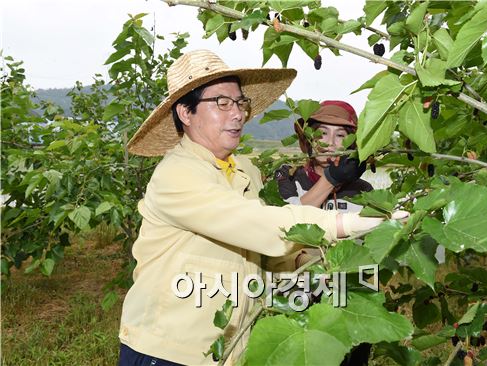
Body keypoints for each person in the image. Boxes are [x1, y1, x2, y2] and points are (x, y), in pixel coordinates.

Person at [118, 49, 407, 366]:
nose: (238, 114)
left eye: (240, 103)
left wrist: (310, 263)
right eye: (222, 103)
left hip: (225, 351)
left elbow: (257, 255)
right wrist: (346, 224)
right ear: (185, 113)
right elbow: (259, 224)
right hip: (167, 351)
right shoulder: (177, 175)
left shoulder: (244, 171)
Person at [277, 100, 372, 212]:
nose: (330, 142)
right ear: (310, 138)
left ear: (351, 144)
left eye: (340, 135)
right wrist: (331, 179)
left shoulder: (363, 190)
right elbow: (285, 220)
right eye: (323, 133)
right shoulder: (288, 176)